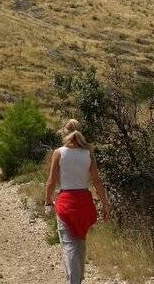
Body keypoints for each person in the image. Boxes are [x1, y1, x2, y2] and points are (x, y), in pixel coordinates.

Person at [44, 119, 112, 284]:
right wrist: (105, 204)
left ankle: (74, 281)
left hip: (67, 202)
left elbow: (51, 181)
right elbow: (97, 181)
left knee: (69, 247)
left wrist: (47, 201)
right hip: (85, 203)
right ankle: (78, 279)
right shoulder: (88, 153)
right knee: (80, 243)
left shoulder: (59, 153)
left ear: (64, 133)